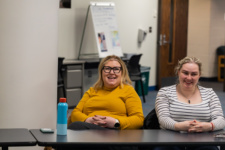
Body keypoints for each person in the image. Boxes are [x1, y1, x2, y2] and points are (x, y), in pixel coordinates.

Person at [155, 56, 225, 150]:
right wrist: (179, 126)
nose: (189, 78)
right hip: (171, 139)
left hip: (203, 140)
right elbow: (163, 119)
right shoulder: (165, 92)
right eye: (185, 73)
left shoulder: (209, 93)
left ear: (199, 75)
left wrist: (208, 126)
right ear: (178, 72)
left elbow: (220, 120)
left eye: (194, 74)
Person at [68, 55, 144, 130]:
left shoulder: (128, 91)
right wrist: (87, 120)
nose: (111, 72)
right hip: (89, 127)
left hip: (114, 132)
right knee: (76, 127)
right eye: (107, 69)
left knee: (75, 127)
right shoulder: (92, 91)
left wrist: (116, 122)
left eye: (116, 69)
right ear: (101, 72)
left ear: (122, 73)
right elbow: (75, 113)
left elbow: (139, 119)